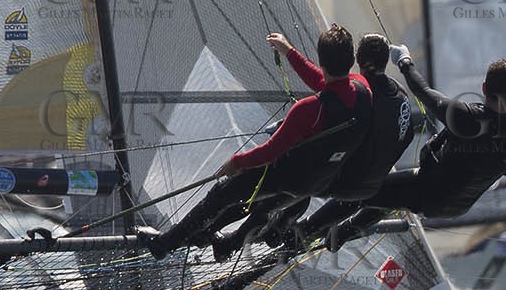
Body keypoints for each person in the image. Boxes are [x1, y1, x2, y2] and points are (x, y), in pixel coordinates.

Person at [140, 26, 371, 260]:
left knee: (221, 194)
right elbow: (330, 86)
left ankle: (163, 244)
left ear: (320, 60)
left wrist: (236, 161)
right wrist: (289, 52)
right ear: (351, 60)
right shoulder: (364, 91)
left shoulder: (308, 109)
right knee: (248, 201)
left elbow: (270, 152)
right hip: (318, 181)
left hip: (287, 176)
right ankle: (204, 235)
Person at [299, 49, 506, 251]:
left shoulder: (468, 118)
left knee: (363, 191)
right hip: (458, 206)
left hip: (428, 192)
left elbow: (424, 92)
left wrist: (404, 61)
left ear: (484, 87)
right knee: (390, 196)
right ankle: (341, 235)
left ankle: (304, 232)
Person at [216, 32, 416, 253]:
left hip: (347, 182)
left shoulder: (362, 94)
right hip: (372, 185)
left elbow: (329, 93)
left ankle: (232, 243)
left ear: (357, 60)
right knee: (303, 191)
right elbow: (406, 136)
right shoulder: (398, 94)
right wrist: (289, 51)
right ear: (384, 62)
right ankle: (276, 231)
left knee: (291, 183)